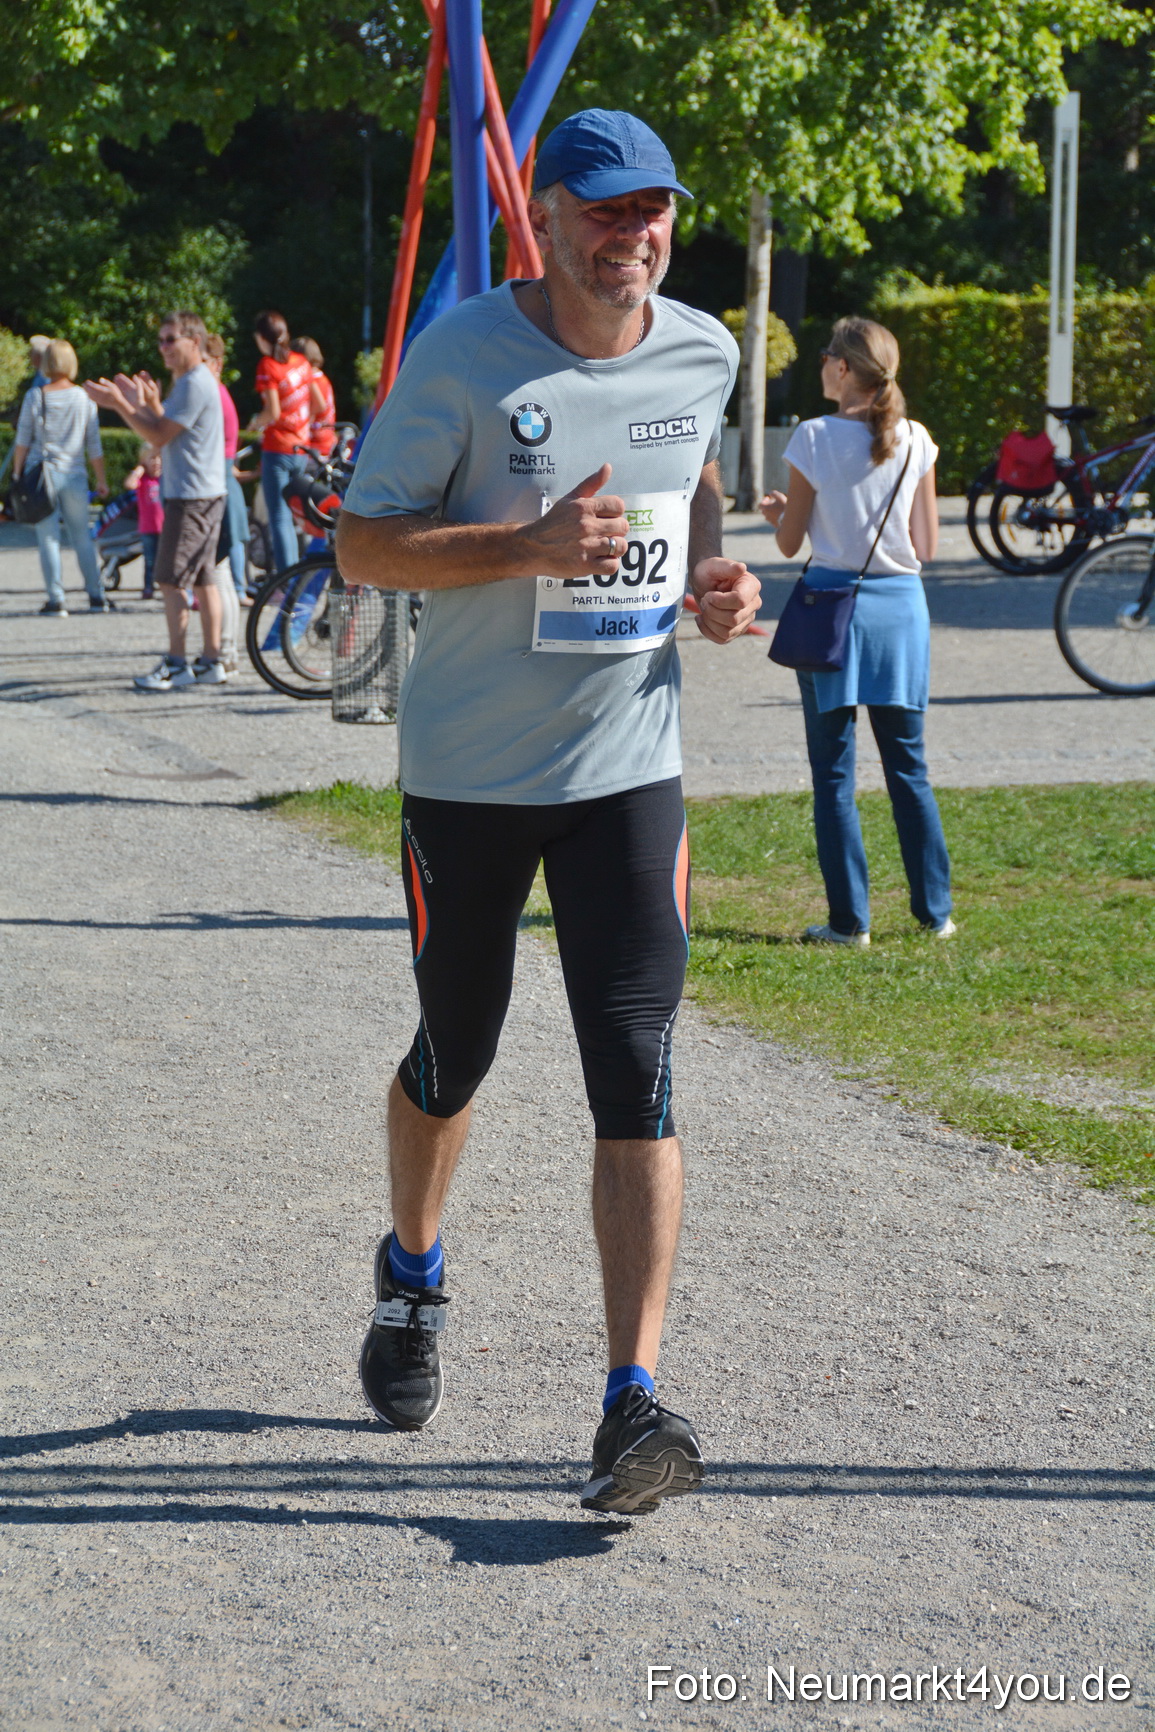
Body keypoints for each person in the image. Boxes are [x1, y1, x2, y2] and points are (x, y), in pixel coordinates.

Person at [336, 109, 760, 1516]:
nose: (630, 235)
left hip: (624, 768)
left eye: (652, 212)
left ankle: (630, 1402)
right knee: (454, 1050)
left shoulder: (701, 348)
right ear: (551, 223)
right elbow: (360, 538)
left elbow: (688, 484)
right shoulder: (459, 356)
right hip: (466, 776)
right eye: (603, 211)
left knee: (633, 1063)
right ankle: (411, 1274)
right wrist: (518, 546)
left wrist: (714, 577)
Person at [760, 316, 955, 945]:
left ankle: (850, 922)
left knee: (835, 775)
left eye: (825, 357)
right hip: (901, 611)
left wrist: (780, 515)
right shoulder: (917, 438)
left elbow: (791, 544)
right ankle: (936, 913)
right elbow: (925, 545)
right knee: (909, 769)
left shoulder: (813, 437)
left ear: (844, 369)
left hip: (832, 612)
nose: (820, 365)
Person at [85, 310, 228, 689]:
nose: (162, 347)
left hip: (191, 497)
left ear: (193, 342)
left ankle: (178, 664)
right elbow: (170, 426)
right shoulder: (194, 380)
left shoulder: (195, 382)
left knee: (169, 580)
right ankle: (212, 661)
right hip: (204, 493)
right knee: (202, 579)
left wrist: (120, 404)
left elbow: (160, 435)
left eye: (170, 339)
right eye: (161, 340)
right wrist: (144, 402)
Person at [13, 338, 110, 615]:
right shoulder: (84, 398)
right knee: (82, 537)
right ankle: (96, 596)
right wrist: (101, 479)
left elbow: (23, 439)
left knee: (48, 538)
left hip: (43, 475)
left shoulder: (36, 396)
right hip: (75, 474)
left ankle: (56, 600)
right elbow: (94, 444)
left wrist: (17, 472)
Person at [249, 312, 320, 572]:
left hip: (277, 449)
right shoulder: (302, 362)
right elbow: (318, 403)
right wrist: (301, 424)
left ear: (261, 338)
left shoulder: (267, 366)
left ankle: (285, 580)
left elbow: (273, 413)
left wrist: (256, 421)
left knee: (278, 517)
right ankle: (293, 577)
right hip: (301, 448)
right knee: (292, 518)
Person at [124, 443, 165, 598]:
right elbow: (129, 484)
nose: (156, 462)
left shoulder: (164, 479)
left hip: (165, 527)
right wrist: (139, 470)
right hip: (148, 528)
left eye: (159, 457)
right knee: (149, 560)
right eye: (152, 458)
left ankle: (165, 586)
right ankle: (148, 587)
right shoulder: (144, 480)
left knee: (165, 560)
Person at [299, 336, 337, 459]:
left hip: (315, 447)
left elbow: (314, 410)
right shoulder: (323, 379)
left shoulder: (313, 382)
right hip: (326, 442)